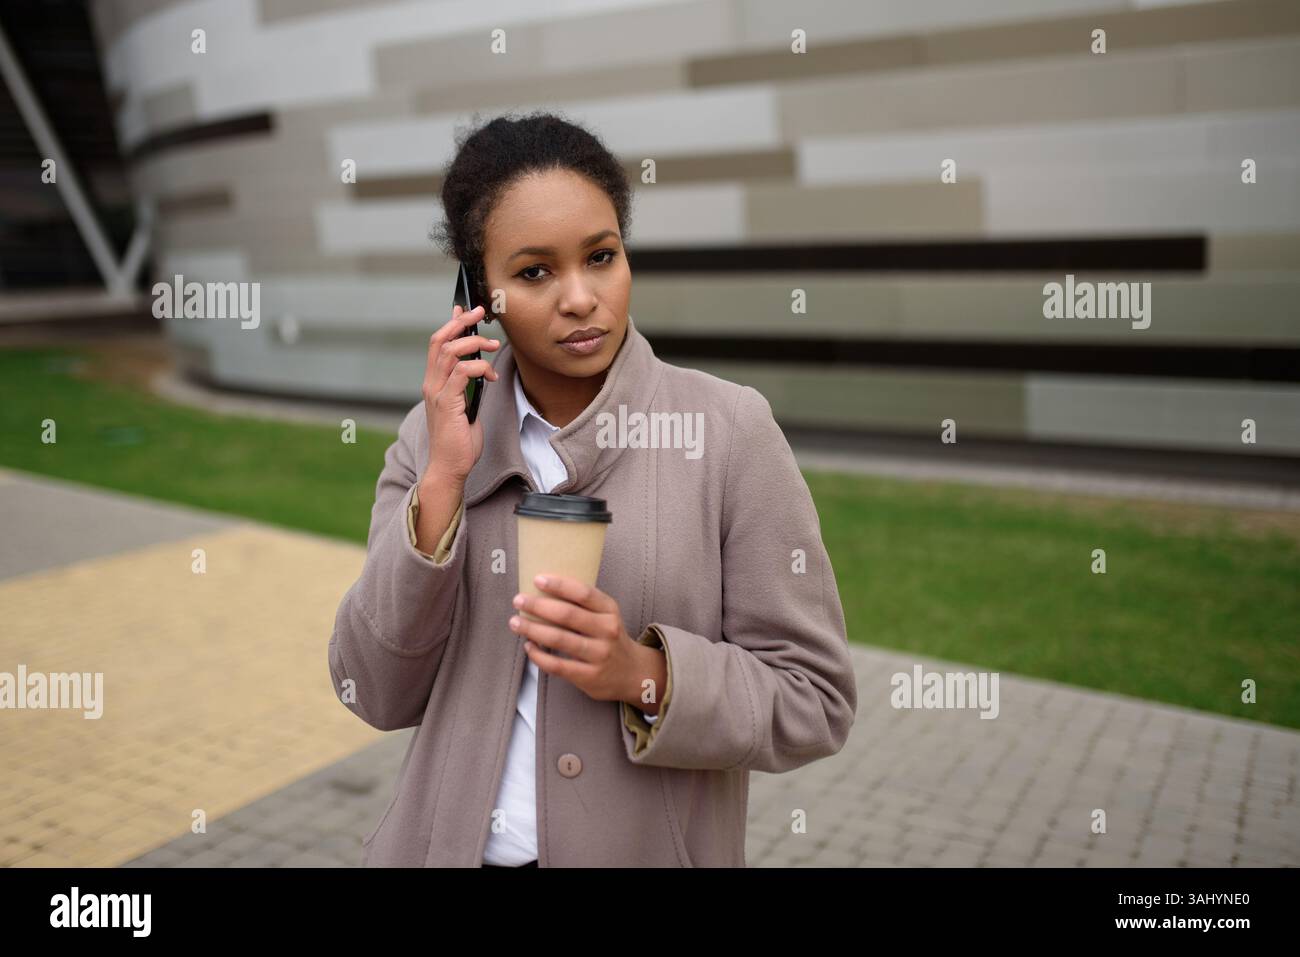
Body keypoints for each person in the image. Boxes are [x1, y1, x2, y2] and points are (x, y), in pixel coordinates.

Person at [328, 110, 857, 867]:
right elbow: (370, 690)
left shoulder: (730, 429)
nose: (581, 298)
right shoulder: (433, 438)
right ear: (481, 293)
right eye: (534, 272)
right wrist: (445, 476)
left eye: (601, 256)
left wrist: (644, 675)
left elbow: (815, 698)